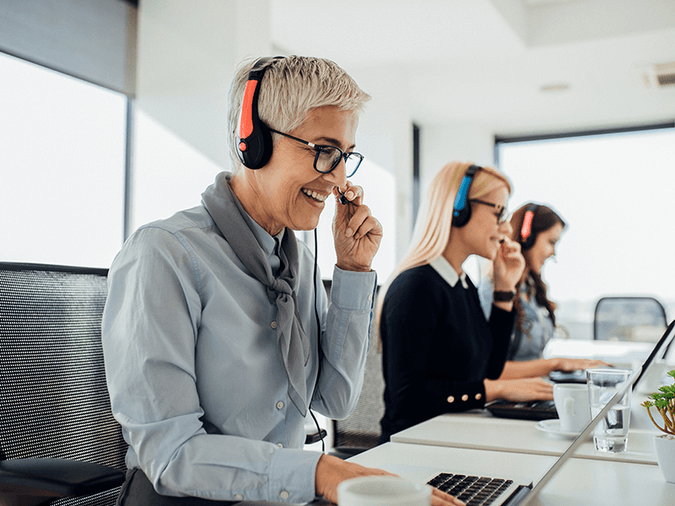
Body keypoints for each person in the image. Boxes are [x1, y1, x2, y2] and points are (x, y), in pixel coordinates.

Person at [102, 55, 461, 506]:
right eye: (324, 151)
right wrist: (318, 472)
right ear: (253, 142)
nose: (338, 179)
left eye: (346, 157)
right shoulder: (165, 254)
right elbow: (170, 453)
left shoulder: (299, 257)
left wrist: (352, 271)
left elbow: (336, 399)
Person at [377, 162, 554, 444]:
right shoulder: (417, 286)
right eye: (498, 213)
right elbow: (407, 399)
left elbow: (489, 368)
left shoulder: (460, 282)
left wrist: (504, 288)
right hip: (415, 447)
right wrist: (495, 391)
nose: (507, 228)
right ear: (459, 208)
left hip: (454, 435)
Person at [478, 203, 608, 379]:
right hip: (509, 398)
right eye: (551, 242)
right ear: (527, 237)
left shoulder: (531, 290)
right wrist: (555, 364)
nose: (553, 253)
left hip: (535, 389)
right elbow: (488, 370)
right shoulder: (493, 293)